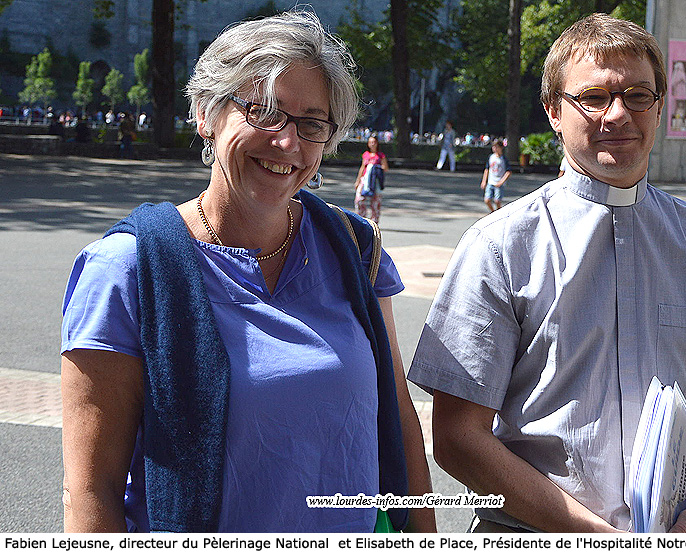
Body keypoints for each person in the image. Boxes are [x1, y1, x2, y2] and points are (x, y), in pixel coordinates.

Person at [60, 10, 435, 534]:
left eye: (312, 124)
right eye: (264, 112)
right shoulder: (126, 269)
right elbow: (91, 491)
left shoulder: (354, 249)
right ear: (206, 114)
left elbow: (398, 420)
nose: (287, 143)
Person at [408, 13, 686, 533]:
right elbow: (457, 438)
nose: (618, 114)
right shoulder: (500, 246)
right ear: (554, 111)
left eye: (637, 96)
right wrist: (592, 535)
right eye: (594, 98)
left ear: (659, 106)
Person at [354, 135, 388, 224]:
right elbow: (362, 168)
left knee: (375, 202)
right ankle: (361, 219)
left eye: (374, 142)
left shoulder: (380, 155)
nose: (372, 144)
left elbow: (385, 168)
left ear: (377, 143)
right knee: (359, 199)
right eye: (370, 142)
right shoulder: (366, 155)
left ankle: (374, 221)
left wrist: (375, 167)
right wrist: (358, 180)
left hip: (375, 180)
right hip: (365, 180)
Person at [480, 138, 511, 212]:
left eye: (497, 147)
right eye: (493, 147)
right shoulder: (491, 157)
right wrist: (484, 181)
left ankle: (499, 213)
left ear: (501, 148)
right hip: (491, 182)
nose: (495, 149)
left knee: (497, 201)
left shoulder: (503, 159)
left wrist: (501, 182)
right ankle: (493, 212)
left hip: (499, 182)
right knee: (487, 200)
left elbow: (508, 172)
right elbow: (487, 169)